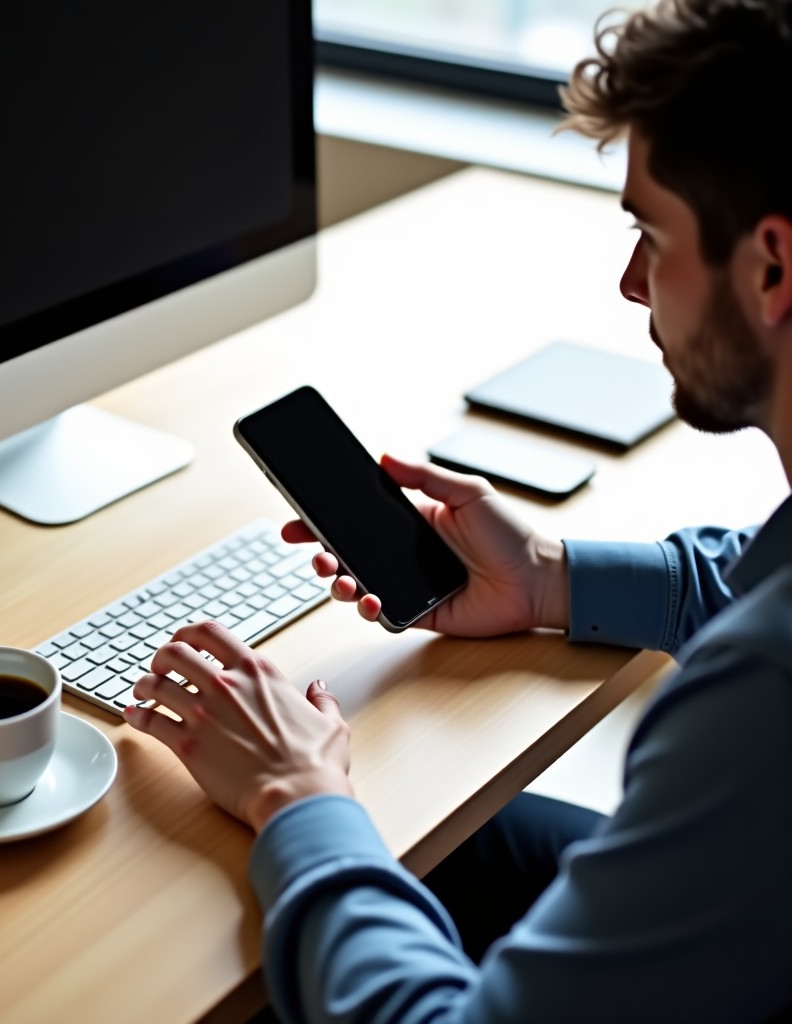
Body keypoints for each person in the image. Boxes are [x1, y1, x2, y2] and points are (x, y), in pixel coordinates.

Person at [124, 0, 792, 1019]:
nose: (627, 281)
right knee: (444, 836)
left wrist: (294, 799)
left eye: (649, 234)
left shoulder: (755, 703)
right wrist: (549, 579)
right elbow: (756, 570)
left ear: (771, 267)